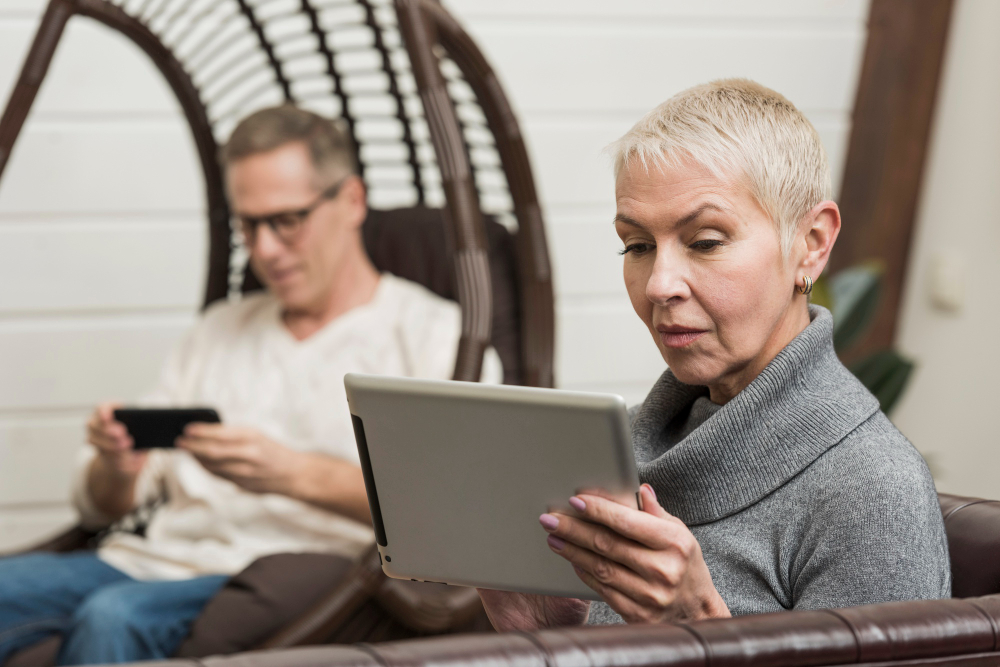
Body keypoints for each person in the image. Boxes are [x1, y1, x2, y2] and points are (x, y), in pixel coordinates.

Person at [0, 105, 501, 665]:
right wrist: (117, 466)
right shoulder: (221, 329)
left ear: (352, 201)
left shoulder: (435, 337)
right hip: (150, 559)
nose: (263, 249)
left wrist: (293, 474)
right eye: (249, 224)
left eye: (287, 220)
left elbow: (462, 516)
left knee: (115, 617)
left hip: (290, 585)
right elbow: (107, 507)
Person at [479, 79, 950, 631]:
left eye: (705, 241)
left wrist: (702, 627)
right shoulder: (611, 452)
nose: (659, 285)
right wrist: (548, 636)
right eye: (637, 245)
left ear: (812, 243)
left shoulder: (872, 493)